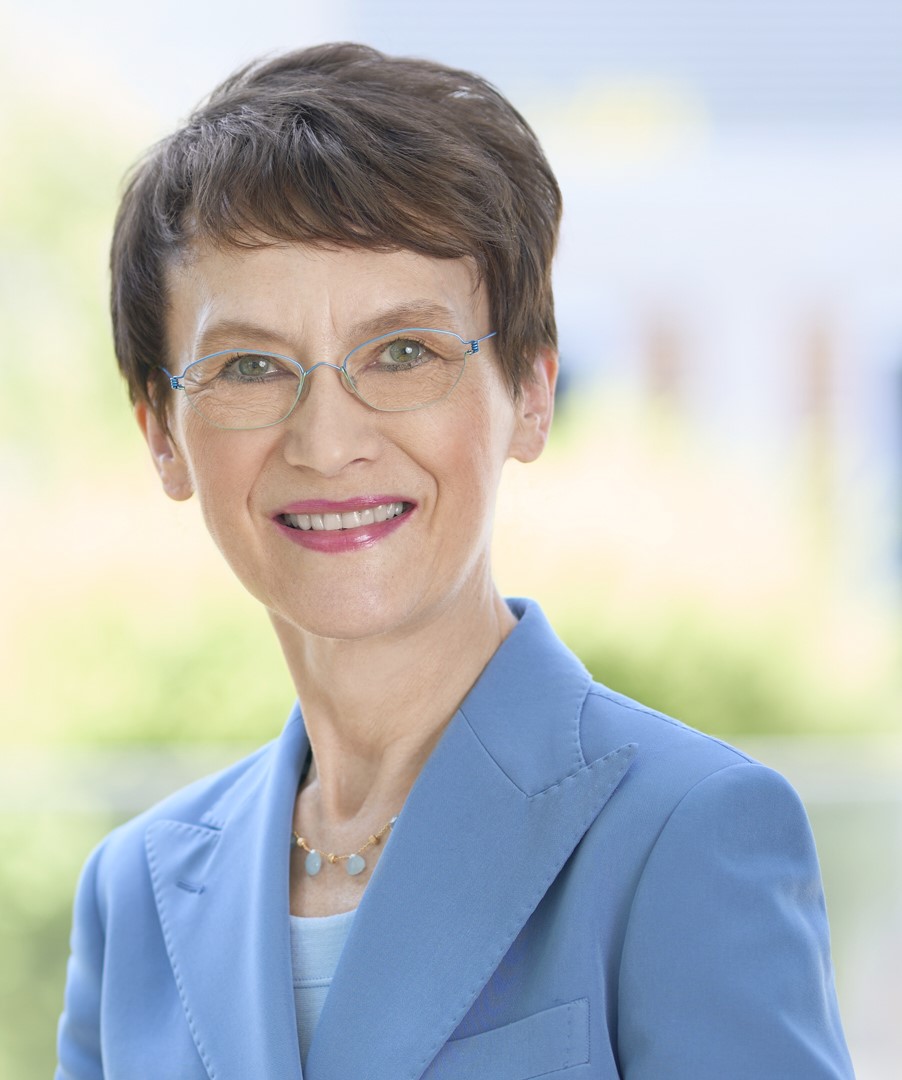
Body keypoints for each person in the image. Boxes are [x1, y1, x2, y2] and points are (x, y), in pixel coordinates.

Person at [56, 42, 854, 1080]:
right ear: (162, 434)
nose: (326, 442)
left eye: (404, 353)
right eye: (249, 366)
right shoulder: (133, 896)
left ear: (530, 392)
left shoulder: (685, 834)